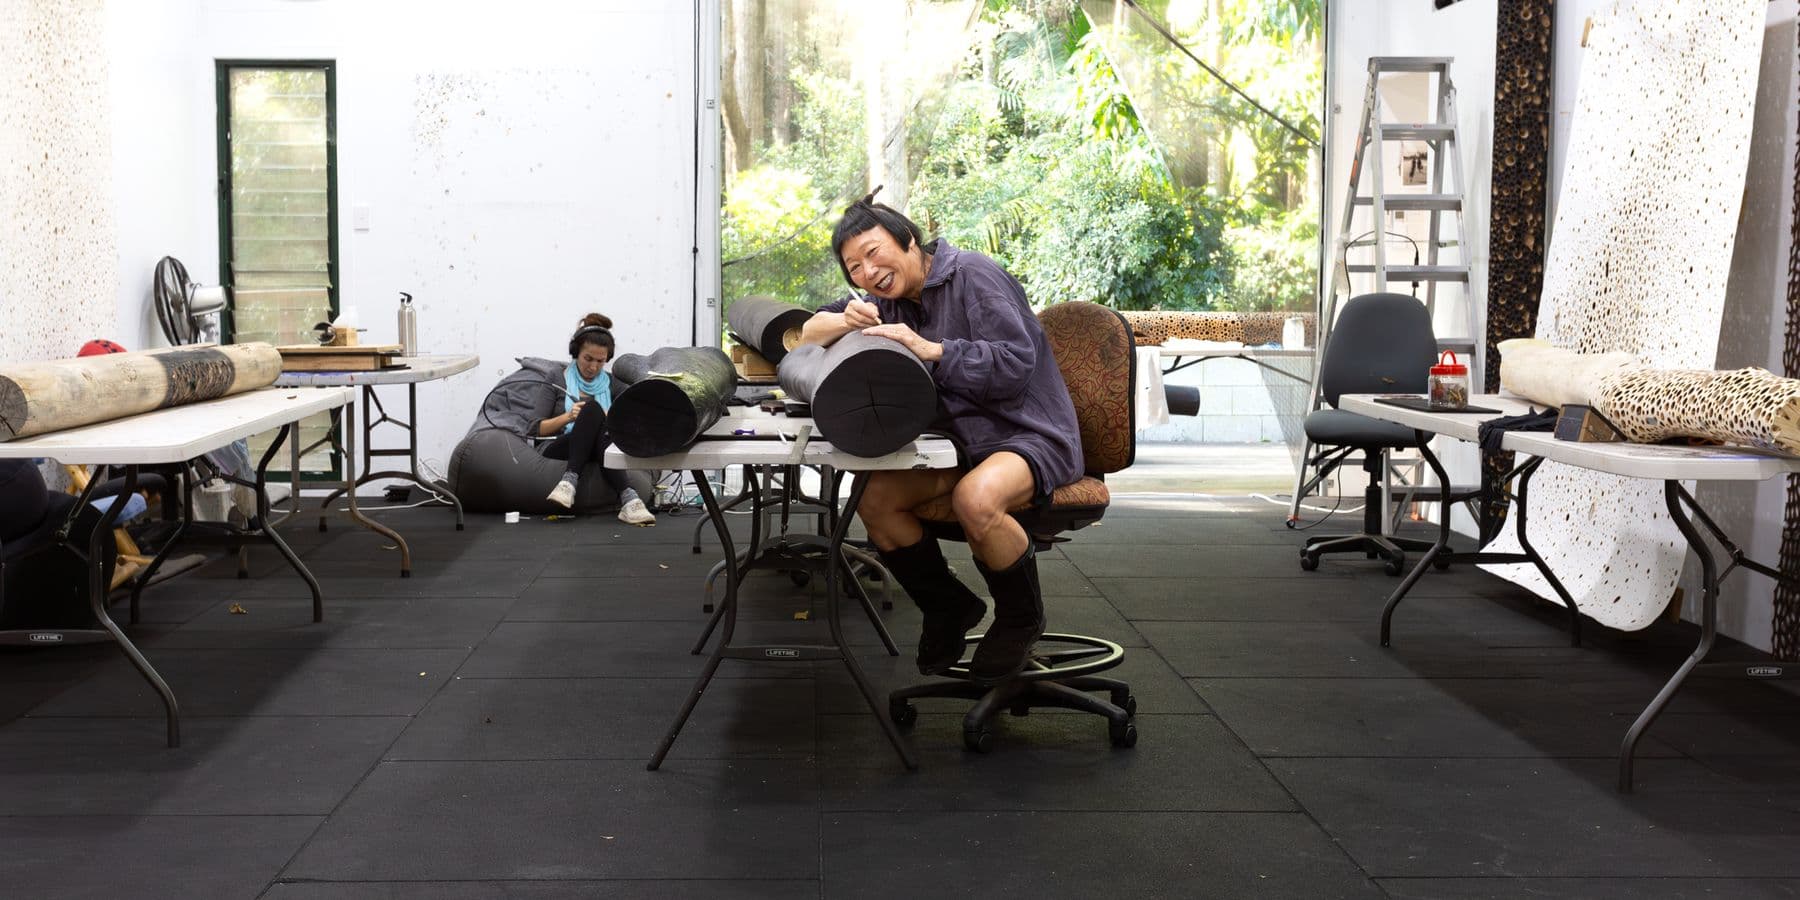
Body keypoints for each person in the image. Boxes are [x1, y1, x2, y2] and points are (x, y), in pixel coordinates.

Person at [800, 191, 1082, 684]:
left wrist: (932, 350)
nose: (868, 271)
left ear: (909, 240)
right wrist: (845, 319)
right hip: (959, 445)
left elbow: (1015, 365)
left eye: (873, 253)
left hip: (1027, 433)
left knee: (976, 498)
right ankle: (948, 606)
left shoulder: (973, 274)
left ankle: (1020, 618)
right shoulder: (886, 302)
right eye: (854, 268)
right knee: (874, 498)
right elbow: (808, 330)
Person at [539, 313, 656, 525]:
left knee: (599, 420)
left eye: (600, 361)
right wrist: (568, 417)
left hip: (600, 446)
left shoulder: (613, 383)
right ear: (576, 353)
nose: (593, 367)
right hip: (561, 446)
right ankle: (628, 497)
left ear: (607, 359)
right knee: (592, 409)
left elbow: (632, 421)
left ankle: (570, 485)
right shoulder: (556, 377)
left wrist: (607, 418)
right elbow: (537, 429)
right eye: (588, 359)